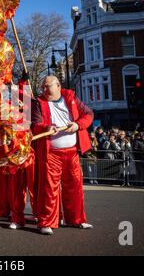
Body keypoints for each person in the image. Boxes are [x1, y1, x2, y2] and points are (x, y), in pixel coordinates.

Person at [31, 76, 94, 235]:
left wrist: (78, 125)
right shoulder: (38, 102)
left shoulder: (71, 97)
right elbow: (35, 124)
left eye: (47, 86)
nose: (44, 89)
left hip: (72, 152)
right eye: (43, 87)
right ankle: (46, 222)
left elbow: (88, 114)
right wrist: (46, 127)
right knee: (49, 189)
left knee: (75, 186)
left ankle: (76, 219)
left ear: (58, 86)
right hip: (51, 153)